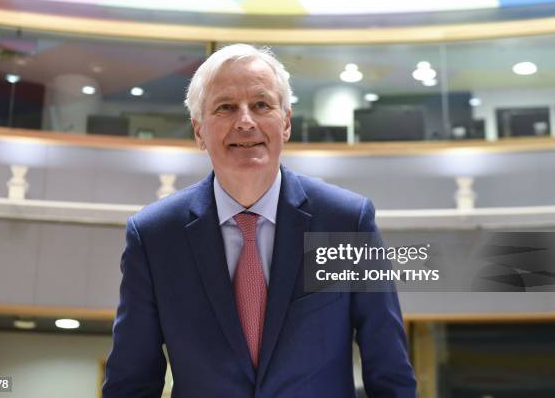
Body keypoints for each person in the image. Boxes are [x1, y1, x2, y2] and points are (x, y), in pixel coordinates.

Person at [103, 44, 416, 397]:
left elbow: (390, 374)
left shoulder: (347, 223)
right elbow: (130, 383)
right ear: (198, 131)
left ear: (285, 123)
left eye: (261, 105)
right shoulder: (155, 237)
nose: (246, 121)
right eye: (225, 107)